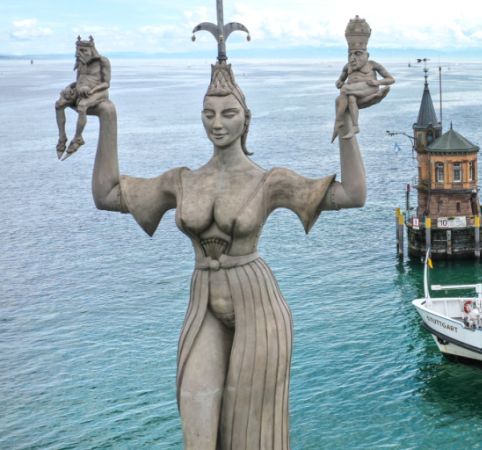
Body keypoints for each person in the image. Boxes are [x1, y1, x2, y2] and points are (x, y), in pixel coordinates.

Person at [80, 57, 370, 447]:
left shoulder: (269, 181)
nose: (217, 123)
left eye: (228, 113)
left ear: (245, 119)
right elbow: (106, 195)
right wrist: (107, 116)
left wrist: (347, 127)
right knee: (196, 421)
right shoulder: (182, 181)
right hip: (203, 300)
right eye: (209, 114)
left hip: (257, 302)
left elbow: (353, 194)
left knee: (249, 434)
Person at [333, 16, 394, 142]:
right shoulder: (347, 66)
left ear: (367, 55)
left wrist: (378, 82)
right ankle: (355, 126)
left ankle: (338, 121)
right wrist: (338, 82)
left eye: (357, 54)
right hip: (354, 92)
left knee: (345, 90)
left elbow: (391, 79)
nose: (352, 58)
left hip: (369, 88)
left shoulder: (372, 65)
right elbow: (340, 81)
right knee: (348, 98)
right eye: (350, 54)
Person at [55, 36, 110, 160]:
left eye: (83, 51)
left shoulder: (103, 61)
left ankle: (78, 138)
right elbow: (79, 81)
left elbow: (106, 83)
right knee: (59, 104)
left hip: (98, 91)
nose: (79, 54)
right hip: (80, 90)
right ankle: (62, 137)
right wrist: (69, 87)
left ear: (92, 50)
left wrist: (92, 90)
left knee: (82, 106)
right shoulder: (81, 62)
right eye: (78, 50)